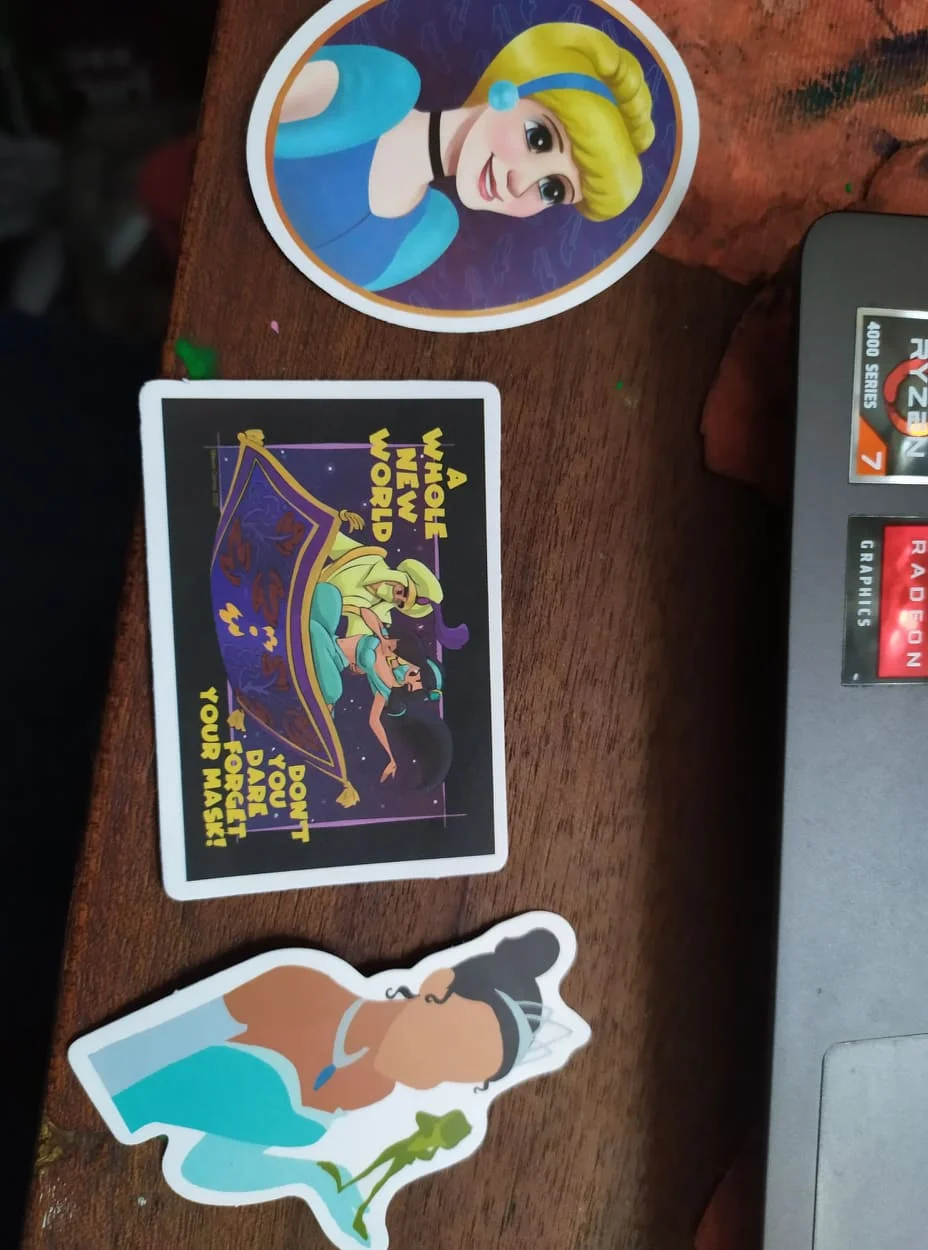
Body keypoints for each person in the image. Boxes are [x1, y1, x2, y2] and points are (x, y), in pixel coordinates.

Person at [85, 929, 561, 1205]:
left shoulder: (369, 1092)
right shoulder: (301, 987)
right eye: (448, 1045)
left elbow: (201, 1166)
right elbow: (125, 1054)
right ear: (437, 986)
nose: (433, 1073)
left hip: (106, 1170)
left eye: (458, 1074)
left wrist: (311, 1179)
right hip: (88, 1102)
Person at [271, 22, 655, 291]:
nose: (519, 182)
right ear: (512, 88)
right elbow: (259, 106)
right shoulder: (385, 83)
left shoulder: (428, 234)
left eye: (552, 189)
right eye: (538, 138)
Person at [308, 583, 450, 786]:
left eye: (412, 686)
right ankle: (308, 629)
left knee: (333, 691)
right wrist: (380, 636)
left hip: (331, 659)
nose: (411, 679)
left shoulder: (386, 688)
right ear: (420, 666)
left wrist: (391, 758)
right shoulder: (391, 645)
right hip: (332, 638)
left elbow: (374, 722)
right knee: (329, 593)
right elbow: (365, 613)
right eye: (418, 676)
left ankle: (311, 644)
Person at [321, 528, 468, 648]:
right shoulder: (369, 559)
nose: (397, 597)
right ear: (402, 578)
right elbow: (327, 536)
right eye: (403, 592)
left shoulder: (372, 610)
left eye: (401, 603)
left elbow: (354, 645)